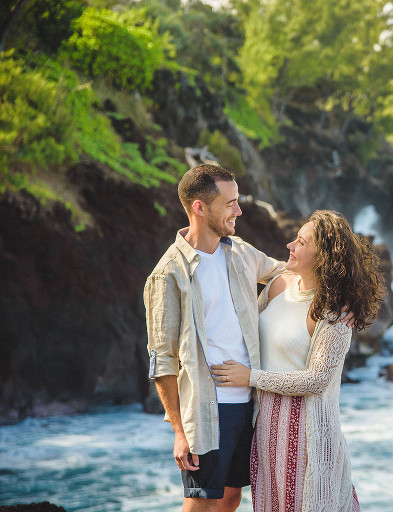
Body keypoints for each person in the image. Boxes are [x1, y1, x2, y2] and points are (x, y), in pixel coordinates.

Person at [210, 210, 384, 512]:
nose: (290, 245)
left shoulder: (336, 312)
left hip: (308, 435)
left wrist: (251, 377)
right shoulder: (279, 285)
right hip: (266, 429)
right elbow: (239, 264)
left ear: (322, 257)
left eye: (301, 242)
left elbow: (317, 380)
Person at [144, 164, 288, 512]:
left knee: (231, 497)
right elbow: (162, 359)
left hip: (251, 403)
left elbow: (285, 274)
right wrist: (179, 432)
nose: (238, 210)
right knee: (200, 503)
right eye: (230, 203)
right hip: (208, 409)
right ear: (199, 207)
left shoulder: (239, 252)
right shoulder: (167, 275)